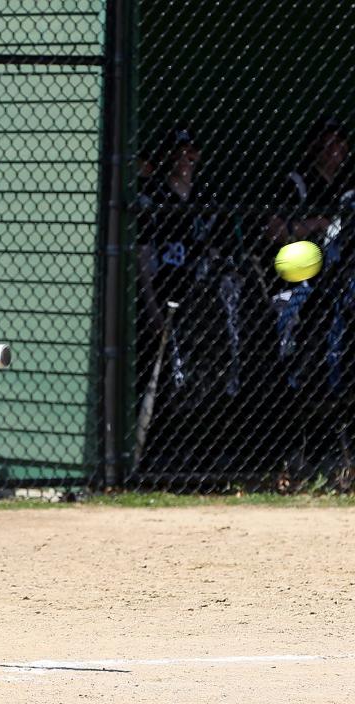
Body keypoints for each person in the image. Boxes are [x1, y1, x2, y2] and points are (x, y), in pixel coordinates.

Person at [135, 127, 241, 472]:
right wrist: (151, 307)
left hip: (203, 303)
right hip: (167, 295)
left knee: (208, 375)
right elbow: (143, 258)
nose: (185, 157)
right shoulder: (151, 196)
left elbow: (218, 249)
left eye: (191, 150)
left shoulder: (206, 197)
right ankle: (158, 453)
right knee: (166, 376)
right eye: (177, 150)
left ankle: (202, 449)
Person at [263, 117, 354, 478]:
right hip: (302, 285)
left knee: (336, 363)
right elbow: (272, 229)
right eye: (327, 143)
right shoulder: (297, 183)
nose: (334, 151)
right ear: (314, 147)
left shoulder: (349, 186)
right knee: (294, 362)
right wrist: (315, 224)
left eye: (340, 143)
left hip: (341, 286)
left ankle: (335, 453)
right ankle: (293, 451)